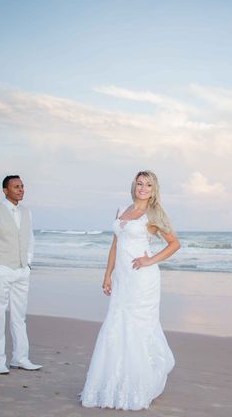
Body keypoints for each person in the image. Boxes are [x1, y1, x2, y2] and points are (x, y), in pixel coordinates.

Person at [80, 170, 180, 410]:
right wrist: (108, 274)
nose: (143, 188)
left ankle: (138, 385)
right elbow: (116, 244)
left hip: (143, 280)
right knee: (116, 324)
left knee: (137, 327)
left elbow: (174, 243)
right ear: (133, 186)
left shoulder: (154, 213)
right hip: (123, 278)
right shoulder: (121, 209)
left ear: (154, 190)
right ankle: (113, 383)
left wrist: (150, 260)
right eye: (139, 183)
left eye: (148, 185)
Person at [0, 175, 42, 374]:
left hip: (21, 271)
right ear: (5, 190)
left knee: (19, 317)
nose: (21, 190)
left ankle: (20, 358)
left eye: (22, 186)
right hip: (2, 271)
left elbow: (30, 239)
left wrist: (28, 263)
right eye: (16, 187)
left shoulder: (27, 213)